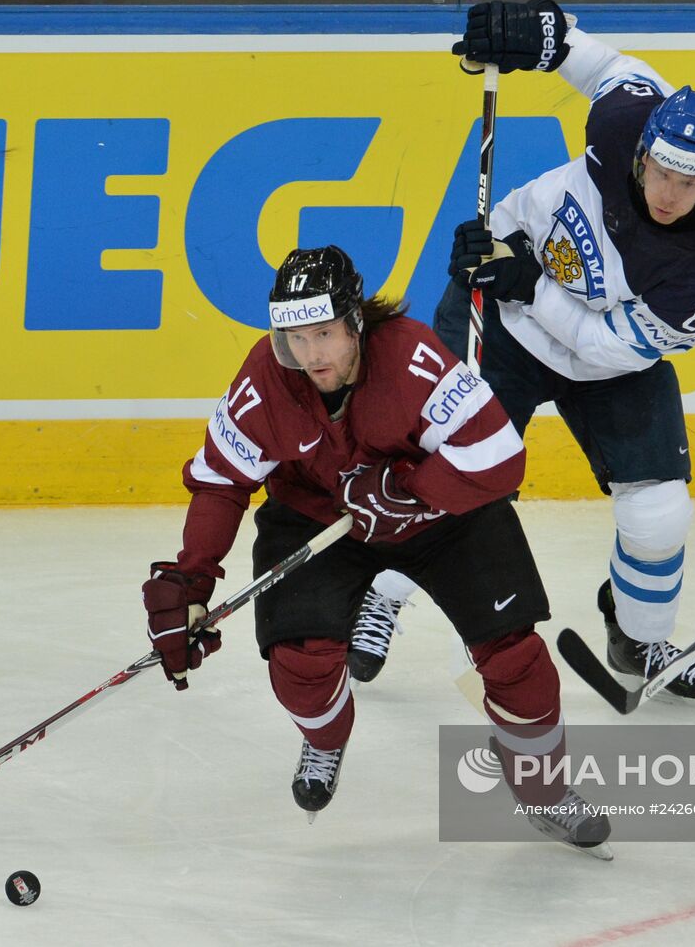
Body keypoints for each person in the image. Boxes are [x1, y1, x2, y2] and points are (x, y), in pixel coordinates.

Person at [140, 244, 611, 856]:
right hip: (319, 516)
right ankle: (327, 738)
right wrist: (193, 580)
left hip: (441, 519)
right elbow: (221, 480)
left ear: (355, 322)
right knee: (300, 663)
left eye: (324, 333)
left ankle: (544, 792)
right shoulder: (265, 381)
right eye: (295, 337)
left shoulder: (412, 356)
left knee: (515, 658)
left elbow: (500, 457)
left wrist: (411, 490)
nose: (310, 354)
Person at [349, 0, 695, 713]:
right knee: (442, 474)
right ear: (644, 148)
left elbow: (596, 345)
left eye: (692, 184)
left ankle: (639, 637)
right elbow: (599, 64)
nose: (668, 194)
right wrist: (547, 34)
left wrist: (529, 283)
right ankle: (379, 596)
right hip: (499, 320)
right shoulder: (628, 116)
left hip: (601, 361)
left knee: (659, 514)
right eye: (660, 172)